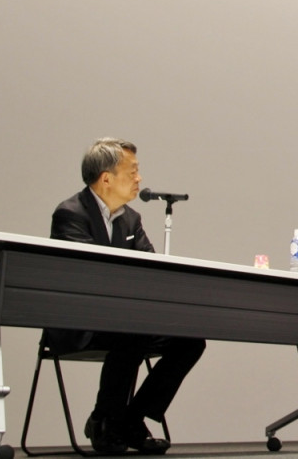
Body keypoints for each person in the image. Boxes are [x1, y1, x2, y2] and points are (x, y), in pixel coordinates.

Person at [46, 138, 205, 455]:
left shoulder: (131, 219)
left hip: (124, 321)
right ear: (106, 178)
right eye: (132, 171)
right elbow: (88, 275)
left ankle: (131, 419)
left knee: (190, 341)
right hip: (78, 322)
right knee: (130, 331)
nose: (139, 178)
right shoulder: (70, 214)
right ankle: (105, 420)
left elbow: (151, 271)